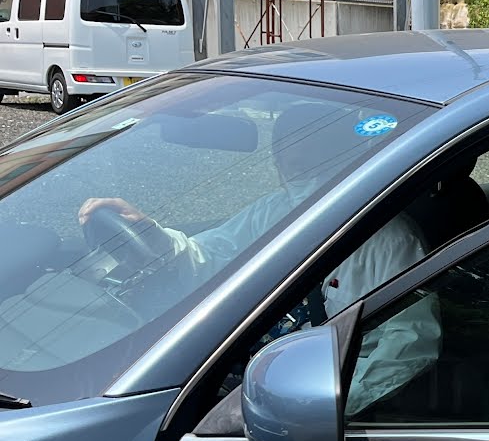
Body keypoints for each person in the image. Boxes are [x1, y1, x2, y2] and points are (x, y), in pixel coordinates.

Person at [79, 101, 439, 414]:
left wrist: (324, 407)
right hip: (243, 377)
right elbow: (210, 255)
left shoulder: (388, 241)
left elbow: (409, 345)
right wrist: (152, 234)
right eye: (284, 153)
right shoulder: (274, 211)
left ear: (344, 154)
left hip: (317, 402)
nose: (290, 164)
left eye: (309, 154)